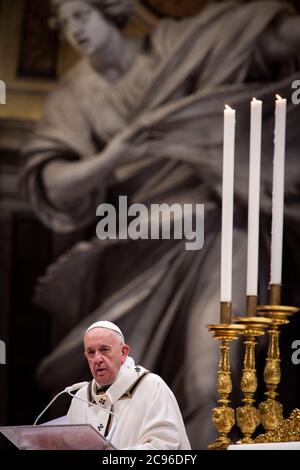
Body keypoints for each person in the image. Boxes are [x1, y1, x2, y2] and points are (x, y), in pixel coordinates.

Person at [20, 0, 300, 448]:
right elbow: (51, 182)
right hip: (136, 243)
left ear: (110, 10)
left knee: (211, 385)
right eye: (64, 21)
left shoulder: (179, 45)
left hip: (222, 234)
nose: (74, 31)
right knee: (126, 403)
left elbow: (266, 36)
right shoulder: (75, 95)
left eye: (81, 15)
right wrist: (116, 155)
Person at [67, 320, 191, 450]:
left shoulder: (152, 386)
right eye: (91, 352)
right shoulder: (80, 397)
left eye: (104, 350)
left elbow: (165, 446)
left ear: (123, 352)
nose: (97, 359)